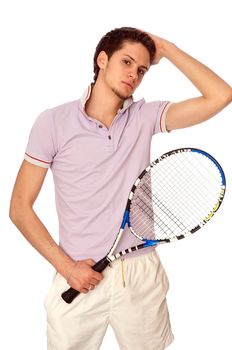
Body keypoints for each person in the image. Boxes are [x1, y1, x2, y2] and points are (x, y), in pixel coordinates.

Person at [9, 27, 231, 350]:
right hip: (76, 271)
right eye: (126, 62)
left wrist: (166, 49)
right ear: (102, 60)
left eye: (142, 69)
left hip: (140, 272)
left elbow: (221, 95)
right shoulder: (52, 123)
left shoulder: (145, 116)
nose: (134, 75)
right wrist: (67, 268)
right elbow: (19, 207)